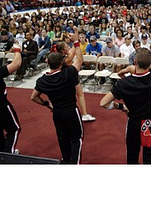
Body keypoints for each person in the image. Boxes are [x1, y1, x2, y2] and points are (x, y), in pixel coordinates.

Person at [100, 16, 151, 164]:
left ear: (134, 62)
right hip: (150, 123)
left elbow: (103, 103)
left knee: (132, 156)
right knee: (150, 158)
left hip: (134, 122)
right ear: (150, 64)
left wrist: (120, 106)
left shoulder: (125, 83)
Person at [31, 28, 84, 164]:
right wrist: (76, 41)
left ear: (48, 63)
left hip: (57, 112)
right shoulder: (69, 73)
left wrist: (47, 104)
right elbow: (80, 59)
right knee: (76, 138)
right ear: (62, 63)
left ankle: (66, 161)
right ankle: (74, 163)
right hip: (71, 111)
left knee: (63, 138)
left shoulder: (42, 80)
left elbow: (34, 97)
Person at [56, 39, 96, 122]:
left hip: (63, 78)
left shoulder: (58, 57)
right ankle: (84, 114)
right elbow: (79, 58)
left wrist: (76, 37)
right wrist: (76, 41)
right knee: (80, 95)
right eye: (67, 47)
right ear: (63, 50)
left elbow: (74, 46)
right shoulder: (67, 59)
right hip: (70, 77)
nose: (69, 47)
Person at [0, 43, 22, 154]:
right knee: (14, 129)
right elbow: (17, 63)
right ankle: (8, 154)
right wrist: (17, 50)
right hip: (1, 105)